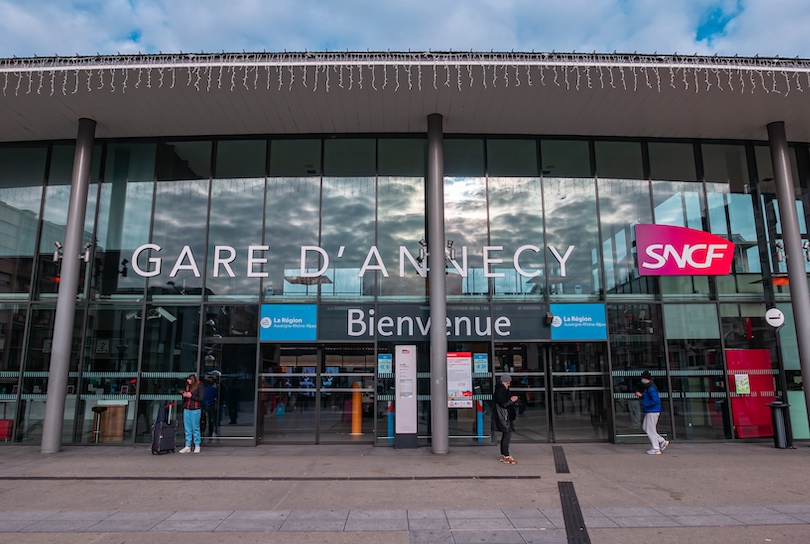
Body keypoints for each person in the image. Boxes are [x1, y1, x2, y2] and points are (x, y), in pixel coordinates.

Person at [635, 370, 669, 455]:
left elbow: (655, 400)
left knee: (650, 429)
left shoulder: (651, 388)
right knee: (646, 427)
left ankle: (656, 448)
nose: (642, 380)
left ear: (646, 379)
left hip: (652, 411)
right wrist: (642, 395)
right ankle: (661, 441)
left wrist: (645, 403)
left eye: (643, 378)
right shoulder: (649, 387)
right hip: (652, 411)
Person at [491, 373, 519, 464]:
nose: (509, 384)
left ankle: (504, 455)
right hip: (504, 416)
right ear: (504, 382)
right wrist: (512, 400)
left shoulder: (502, 389)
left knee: (506, 434)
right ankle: (506, 455)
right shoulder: (501, 391)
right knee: (507, 434)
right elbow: (503, 404)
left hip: (504, 415)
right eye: (508, 383)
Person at [179, 374, 205, 454]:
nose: (188, 381)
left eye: (189, 380)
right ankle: (188, 445)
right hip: (187, 409)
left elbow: (201, 398)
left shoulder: (200, 386)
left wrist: (191, 396)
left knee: (195, 428)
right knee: (187, 428)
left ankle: (197, 445)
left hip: (195, 409)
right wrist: (184, 395)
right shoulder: (188, 386)